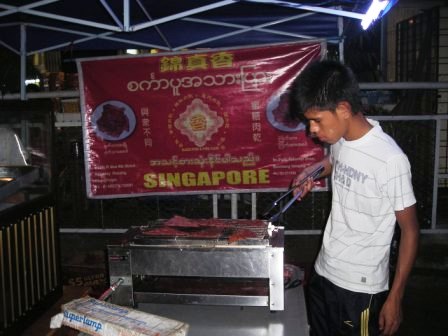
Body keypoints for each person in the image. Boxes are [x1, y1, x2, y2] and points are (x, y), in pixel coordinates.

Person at [288, 60, 419, 336]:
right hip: (324, 270)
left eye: (316, 121)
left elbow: (410, 230)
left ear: (344, 109)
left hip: (360, 289)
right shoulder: (340, 140)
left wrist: (395, 297)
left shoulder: (390, 160)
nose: (311, 129)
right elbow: (333, 161)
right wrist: (310, 171)